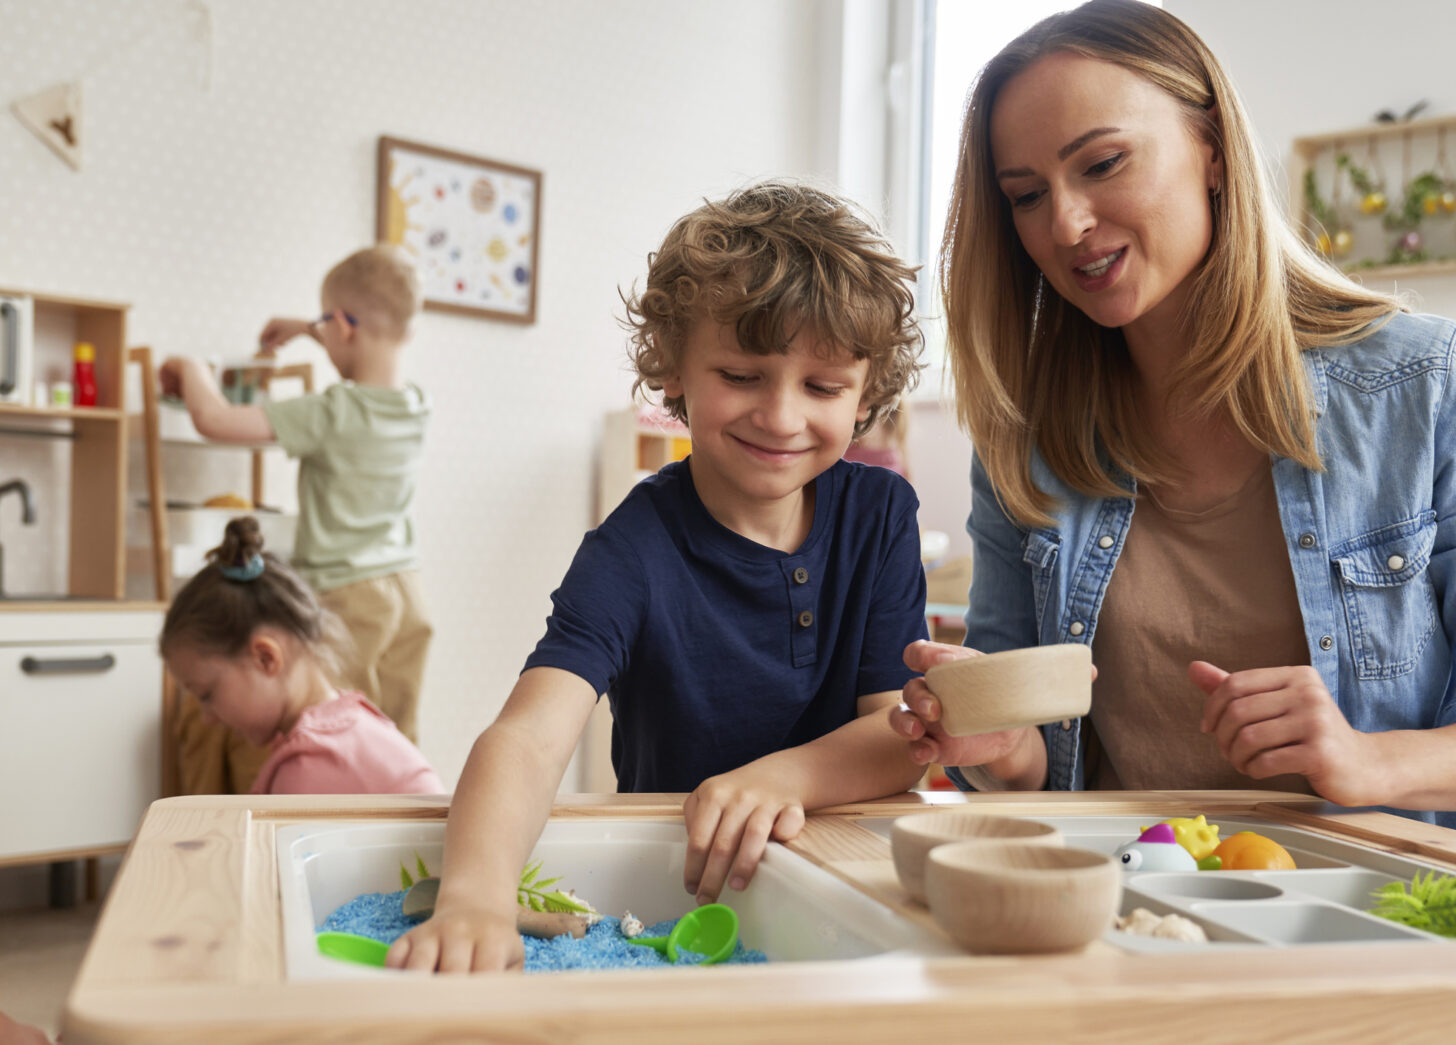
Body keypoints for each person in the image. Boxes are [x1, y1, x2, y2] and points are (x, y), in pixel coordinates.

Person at [890, 0, 1456, 838]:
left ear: (1210, 150)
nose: (1065, 224)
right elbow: (1033, 762)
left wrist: (1367, 760)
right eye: (1026, 196)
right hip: (1120, 904)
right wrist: (993, 744)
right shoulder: (1027, 438)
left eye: (1102, 164)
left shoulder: (1430, 384)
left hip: (1366, 913)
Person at [388, 181, 927, 973]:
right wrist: (475, 894)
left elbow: (901, 733)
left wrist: (783, 776)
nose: (781, 417)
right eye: (742, 375)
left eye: (821, 386)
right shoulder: (632, 548)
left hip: (844, 871)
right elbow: (530, 738)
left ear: (866, 392)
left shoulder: (881, 513)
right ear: (671, 371)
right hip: (686, 897)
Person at [160, 244, 434, 750]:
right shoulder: (416, 404)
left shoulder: (333, 411)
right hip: (407, 592)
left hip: (351, 592)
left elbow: (215, 421)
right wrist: (312, 327)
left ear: (344, 327)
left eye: (324, 323)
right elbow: (361, 332)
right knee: (395, 737)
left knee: (336, 737)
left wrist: (191, 366)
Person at [159, 517, 442, 795]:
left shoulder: (310, 767)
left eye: (206, 694)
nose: (207, 718)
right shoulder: (347, 727)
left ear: (266, 658)